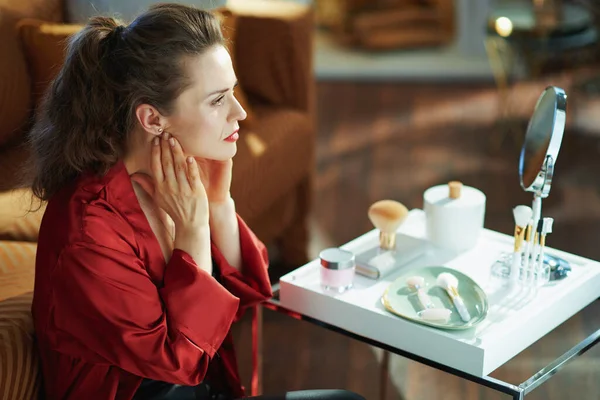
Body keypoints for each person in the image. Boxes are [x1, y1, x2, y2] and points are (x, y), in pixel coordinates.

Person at [27, 3, 365, 400]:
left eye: (233, 92)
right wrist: (192, 229)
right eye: (218, 99)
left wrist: (219, 206)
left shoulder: (178, 179)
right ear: (153, 120)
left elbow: (243, 298)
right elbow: (183, 362)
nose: (239, 113)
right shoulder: (89, 234)